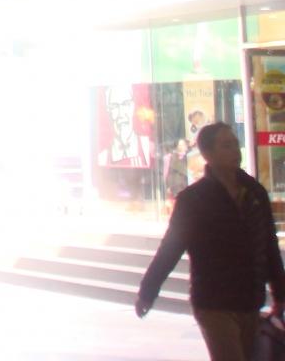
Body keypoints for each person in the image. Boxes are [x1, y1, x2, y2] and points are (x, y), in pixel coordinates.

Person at [136, 122, 285, 361]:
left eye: (235, 144)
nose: (235, 151)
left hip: (250, 298)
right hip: (214, 302)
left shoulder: (255, 193)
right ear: (207, 154)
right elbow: (170, 248)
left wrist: (279, 291)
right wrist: (148, 290)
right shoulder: (193, 200)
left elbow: (268, 244)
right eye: (226, 145)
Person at [98, 85, 152, 167]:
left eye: (126, 104)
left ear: (133, 106)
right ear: (108, 111)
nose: (121, 114)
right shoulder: (102, 159)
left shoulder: (148, 147)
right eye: (114, 106)